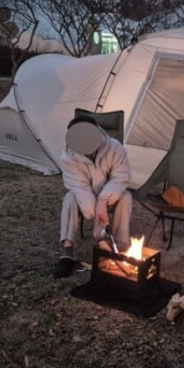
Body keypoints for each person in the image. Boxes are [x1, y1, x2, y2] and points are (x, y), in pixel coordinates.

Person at [53, 115, 133, 278]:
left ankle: (121, 247)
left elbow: (120, 178)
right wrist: (97, 219)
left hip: (110, 196)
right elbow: (80, 188)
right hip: (87, 198)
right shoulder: (69, 156)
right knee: (70, 198)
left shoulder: (114, 148)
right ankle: (67, 252)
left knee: (126, 197)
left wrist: (103, 200)